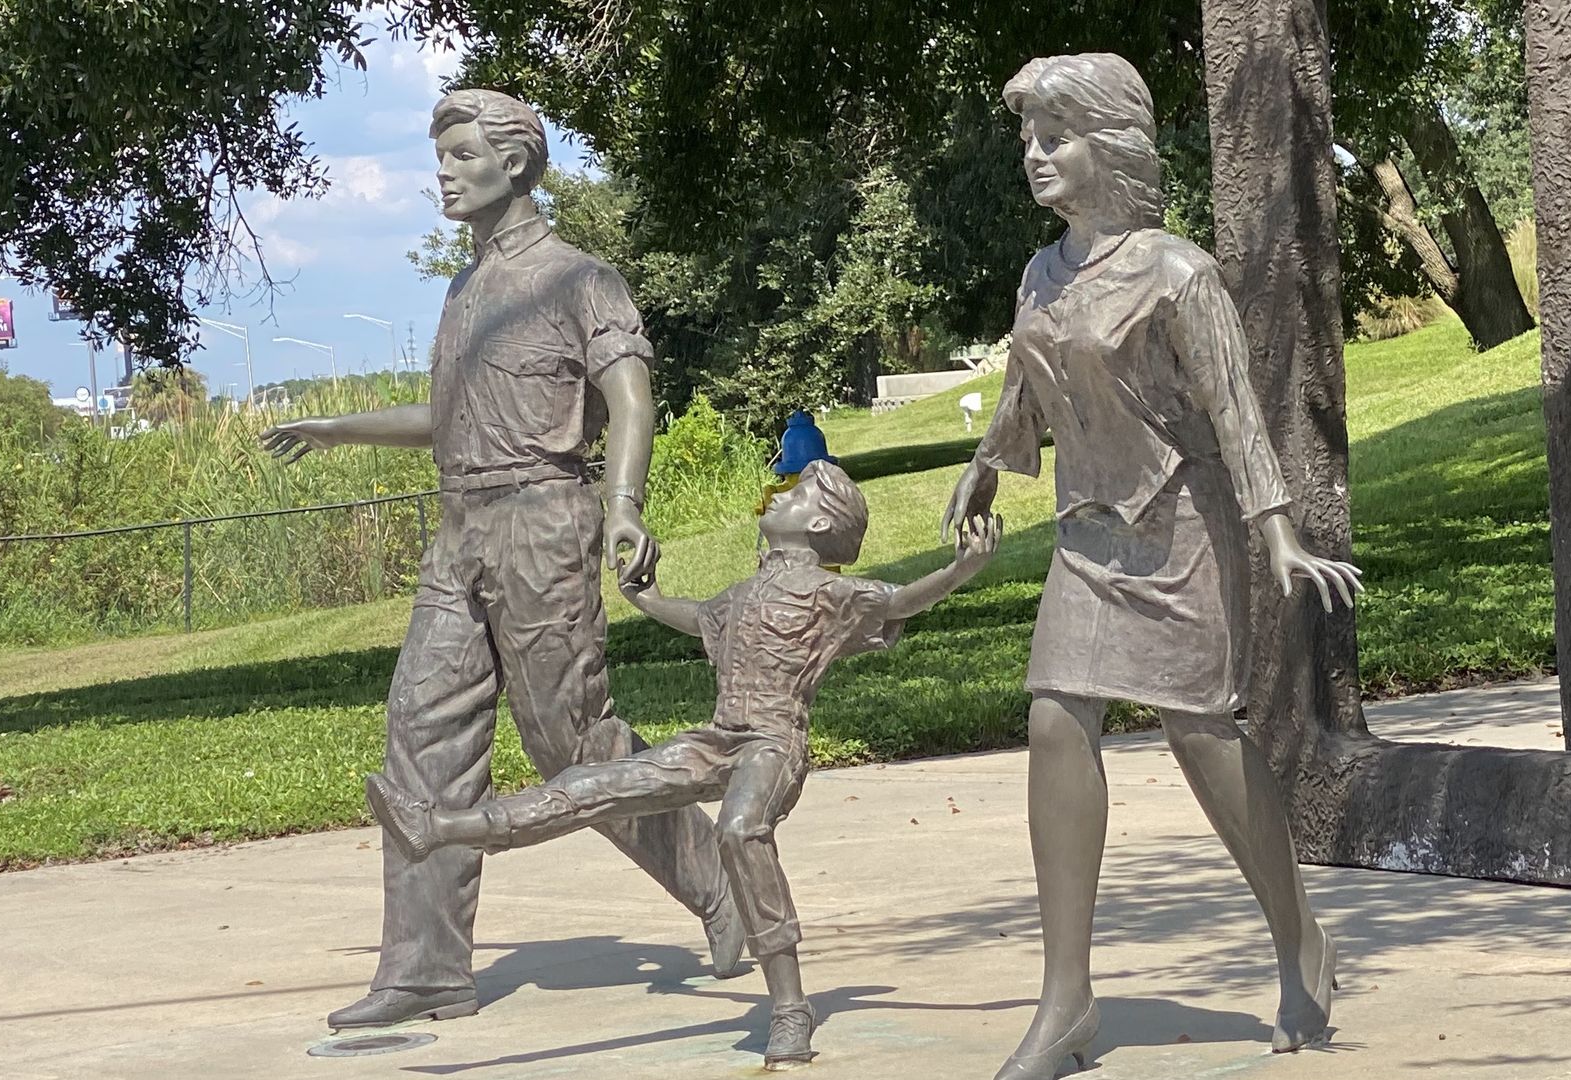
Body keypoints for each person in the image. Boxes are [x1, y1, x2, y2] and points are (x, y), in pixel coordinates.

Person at [259, 88, 741, 1029]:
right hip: (459, 533)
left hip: (544, 524)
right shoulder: (462, 286)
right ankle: (427, 968)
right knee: (421, 731)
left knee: (575, 744)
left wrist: (625, 508)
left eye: (460, 155)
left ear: (515, 163)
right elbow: (446, 421)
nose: (442, 172)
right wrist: (334, 425)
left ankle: (727, 888)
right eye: (438, 156)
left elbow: (632, 400)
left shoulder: (578, 278)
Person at [938, 54, 1364, 1079]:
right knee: (1054, 715)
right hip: (1087, 531)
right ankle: (1066, 1000)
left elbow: (1234, 411)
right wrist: (987, 468)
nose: (1036, 156)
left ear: (1111, 145)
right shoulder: (1042, 274)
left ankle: (1299, 933)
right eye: (1030, 139)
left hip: (1183, 526)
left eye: (1057, 136)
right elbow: (1025, 388)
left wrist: (1277, 533)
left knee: (1202, 737)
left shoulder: (1180, 272)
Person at [367, 460, 1001, 1069]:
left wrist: (962, 569)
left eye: (801, 491)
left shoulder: (831, 593)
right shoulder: (743, 594)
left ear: (817, 526)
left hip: (773, 745)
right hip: (718, 737)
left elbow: (898, 601)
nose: (780, 492)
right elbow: (700, 618)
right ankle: (442, 828)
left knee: (738, 829)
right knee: (591, 784)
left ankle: (790, 1008)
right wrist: (646, 599)